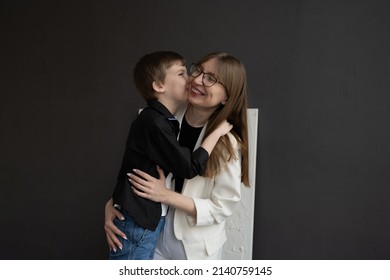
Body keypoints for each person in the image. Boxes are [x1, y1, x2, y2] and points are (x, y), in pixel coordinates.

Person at [105, 51, 249, 259]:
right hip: (151, 233)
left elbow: (222, 207)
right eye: (198, 70)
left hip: (195, 250)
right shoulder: (161, 119)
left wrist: (167, 196)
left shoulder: (227, 143)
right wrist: (113, 207)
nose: (197, 80)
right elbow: (136, 166)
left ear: (227, 96)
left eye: (210, 78)